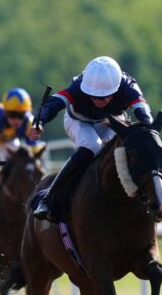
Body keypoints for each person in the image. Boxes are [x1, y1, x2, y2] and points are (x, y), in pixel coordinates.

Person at [28, 55, 154, 222]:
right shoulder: (78, 85)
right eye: (94, 96)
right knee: (92, 146)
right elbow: (54, 103)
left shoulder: (128, 86)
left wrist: (148, 126)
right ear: (86, 88)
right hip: (78, 121)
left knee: (123, 148)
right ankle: (49, 197)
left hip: (111, 120)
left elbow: (143, 111)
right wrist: (39, 121)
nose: (100, 100)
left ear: (116, 88)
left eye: (106, 96)